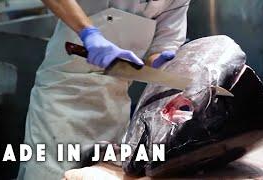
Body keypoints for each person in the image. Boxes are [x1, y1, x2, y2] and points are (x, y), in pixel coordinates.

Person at [18, 0, 190, 179]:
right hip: (62, 97)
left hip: (114, 102)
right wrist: (88, 32)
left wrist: (158, 62)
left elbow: (160, 48)